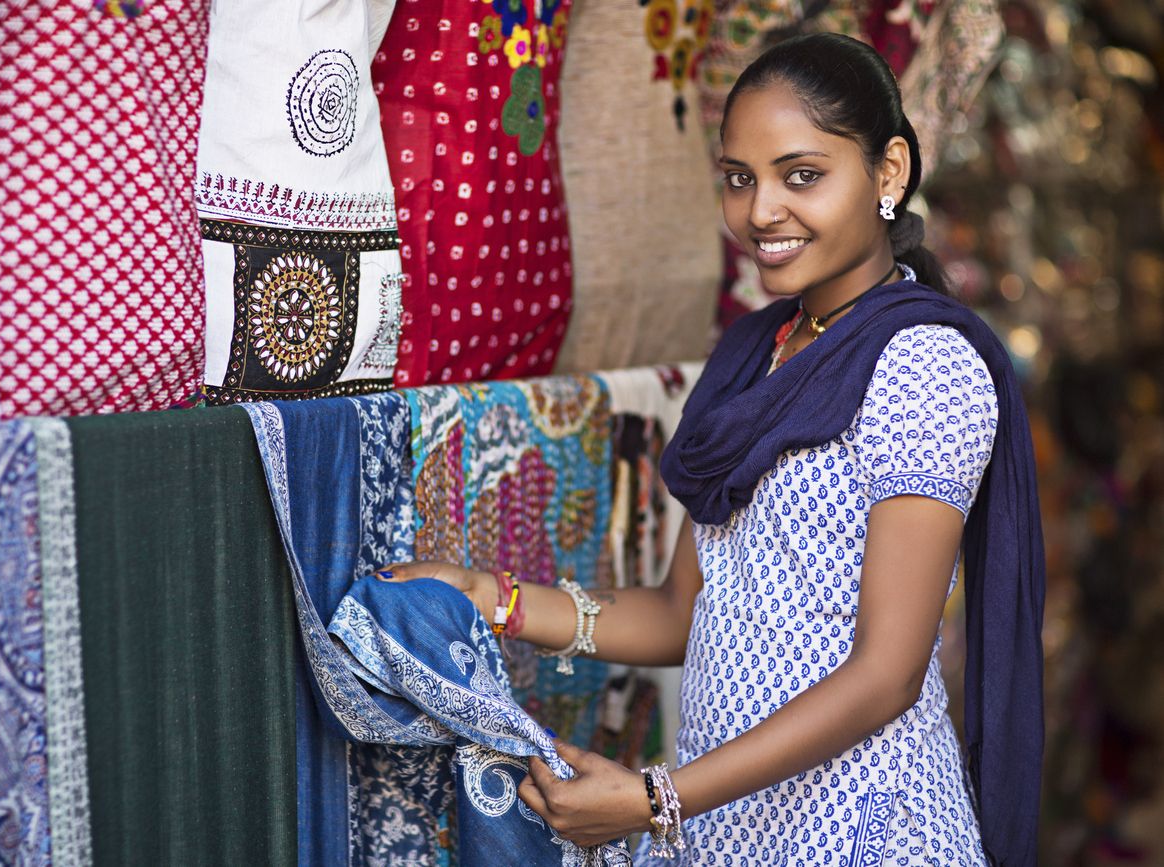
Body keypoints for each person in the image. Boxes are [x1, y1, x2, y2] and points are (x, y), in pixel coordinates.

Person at [381, 32, 1044, 866]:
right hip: (728, 831)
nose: (761, 210)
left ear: (888, 172)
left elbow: (888, 674)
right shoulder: (749, 357)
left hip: (865, 830)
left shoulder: (922, 364)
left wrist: (657, 795)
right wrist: (490, 595)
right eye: (740, 179)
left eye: (802, 175)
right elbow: (679, 614)